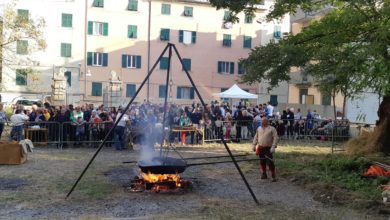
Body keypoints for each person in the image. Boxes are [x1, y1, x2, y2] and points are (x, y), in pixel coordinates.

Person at [252, 117, 278, 182]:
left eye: (263, 121)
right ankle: (264, 174)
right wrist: (254, 145)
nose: (262, 122)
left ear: (267, 122)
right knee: (262, 161)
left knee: (270, 162)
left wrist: (273, 146)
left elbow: (276, 138)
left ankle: (273, 175)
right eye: (261, 121)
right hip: (261, 147)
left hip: (268, 148)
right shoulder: (259, 128)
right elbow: (256, 137)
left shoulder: (272, 129)